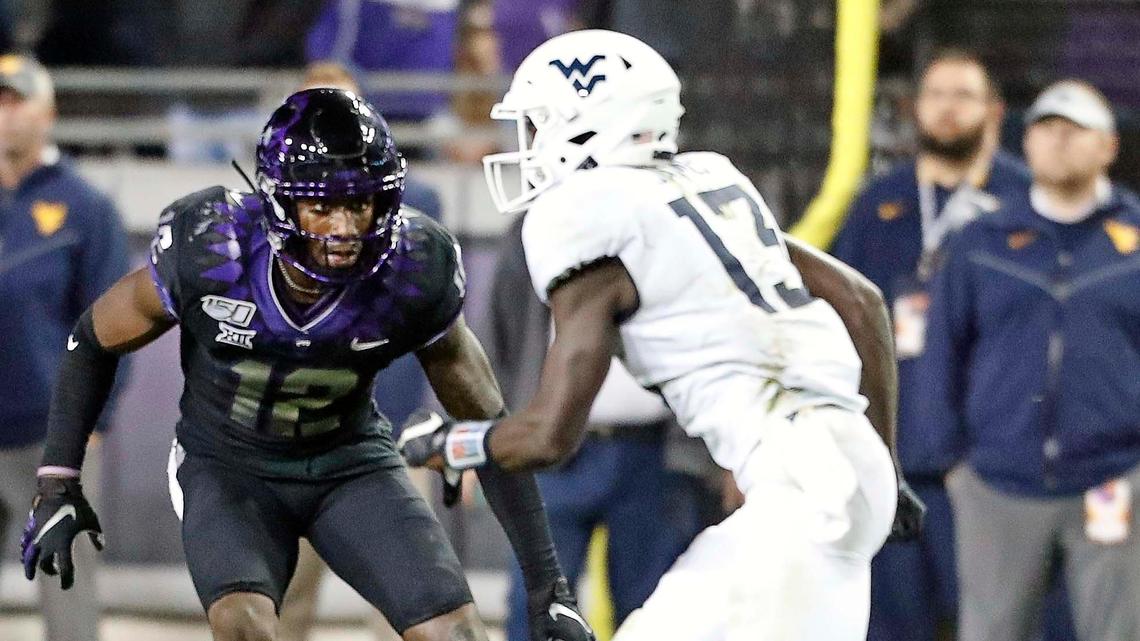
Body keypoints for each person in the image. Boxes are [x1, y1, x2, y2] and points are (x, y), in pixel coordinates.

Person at [399, 29, 925, 641]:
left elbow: (548, 437)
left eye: (541, 125)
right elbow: (862, 302)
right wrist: (887, 463)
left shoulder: (584, 213)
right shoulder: (709, 180)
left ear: (588, 125)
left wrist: (452, 444)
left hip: (798, 493)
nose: (531, 144)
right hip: (851, 470)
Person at [19, 88, 594, 641]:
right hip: (228, 465)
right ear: (279, 201)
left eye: (360, 204)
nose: (345, 229)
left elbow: (485, 419)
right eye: (323, 206)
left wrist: (550, 588)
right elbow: (92, 339)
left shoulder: (414, 268)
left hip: (348, 463)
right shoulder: (212, 248)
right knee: (243, 625)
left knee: (458, 633)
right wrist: (58, 481)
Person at [920, 79, 1140, 641]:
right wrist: (952, 462)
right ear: (1028, 144)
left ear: (1108, 146)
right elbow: (943, 351)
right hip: (997, 481)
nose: (1059, 141)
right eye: (1045, 129)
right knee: (992, 632)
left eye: (1075, 130)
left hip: (1113, 479)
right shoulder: (981, 241)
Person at [830, 49, 1031, 641]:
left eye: (964, 95)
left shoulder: (1025, 204)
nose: (948, 108)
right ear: (914, 108)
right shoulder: (877, 203)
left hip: (992, 465)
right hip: (894, 461)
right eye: (936, 94)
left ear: (993, 111)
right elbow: (836, 321)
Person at [274, 62, 446, 641]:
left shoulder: (413, 202)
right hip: (292, 441)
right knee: (281, 601)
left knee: (409, 605)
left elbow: (442, 332)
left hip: (387, 430)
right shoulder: (261, 214)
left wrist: (454, 422)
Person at [484, 213, 713, 641]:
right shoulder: (532, 229)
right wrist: (492, 429)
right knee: (539, 610)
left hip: (652, 453)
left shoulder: (672, 223)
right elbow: (500, 340)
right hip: (553, 453)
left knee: (656, 611)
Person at [0, 54, 129, 641]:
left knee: (65, 581)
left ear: (48, 113)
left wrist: (93, 420)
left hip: (52, 435)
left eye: (15, 100)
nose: (3, 115)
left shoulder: (84, 208)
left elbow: (115, 325)